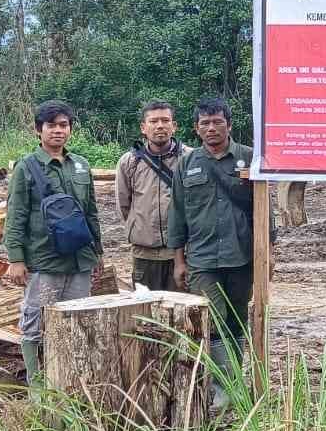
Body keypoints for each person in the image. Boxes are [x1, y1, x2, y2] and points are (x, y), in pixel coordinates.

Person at [169, 96, 273, 406]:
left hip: (242, 256)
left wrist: (269, 255)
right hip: (202, 259)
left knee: (237, 320)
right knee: (212, 320)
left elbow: (265, 209)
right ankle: (224, 389)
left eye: (217, 122)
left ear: (228, 124)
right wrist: (178, 260)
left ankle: (234, 382)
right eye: (205, 123)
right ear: (196, 129)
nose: (211, 128)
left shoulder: (249, 158)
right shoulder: (187, 164)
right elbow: (177, 213)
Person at [4, 99, 103, 384]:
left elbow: (91, 212)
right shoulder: (27, 167)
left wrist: (98, 253)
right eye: (51, 126)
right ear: (39, 130)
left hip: (80, 260)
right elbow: (15, 215)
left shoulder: (80, 166)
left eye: (63, 125)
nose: (58, 131)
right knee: (35, 324)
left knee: (78, 322)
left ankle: (72, 380)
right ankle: (37, 384)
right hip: (45, 260)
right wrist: (16, 259)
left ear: (70, 129)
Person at [116, 100, 184, 292]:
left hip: (181, 254)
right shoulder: (129, 162)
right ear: (143, 128)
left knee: (183, 313)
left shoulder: (189, 158)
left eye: (165, 120)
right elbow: (124, 205)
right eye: (153, 121)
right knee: (145, 313)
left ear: (174, 126)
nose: (160, 125)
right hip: (144, 254)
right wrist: (138, 228)